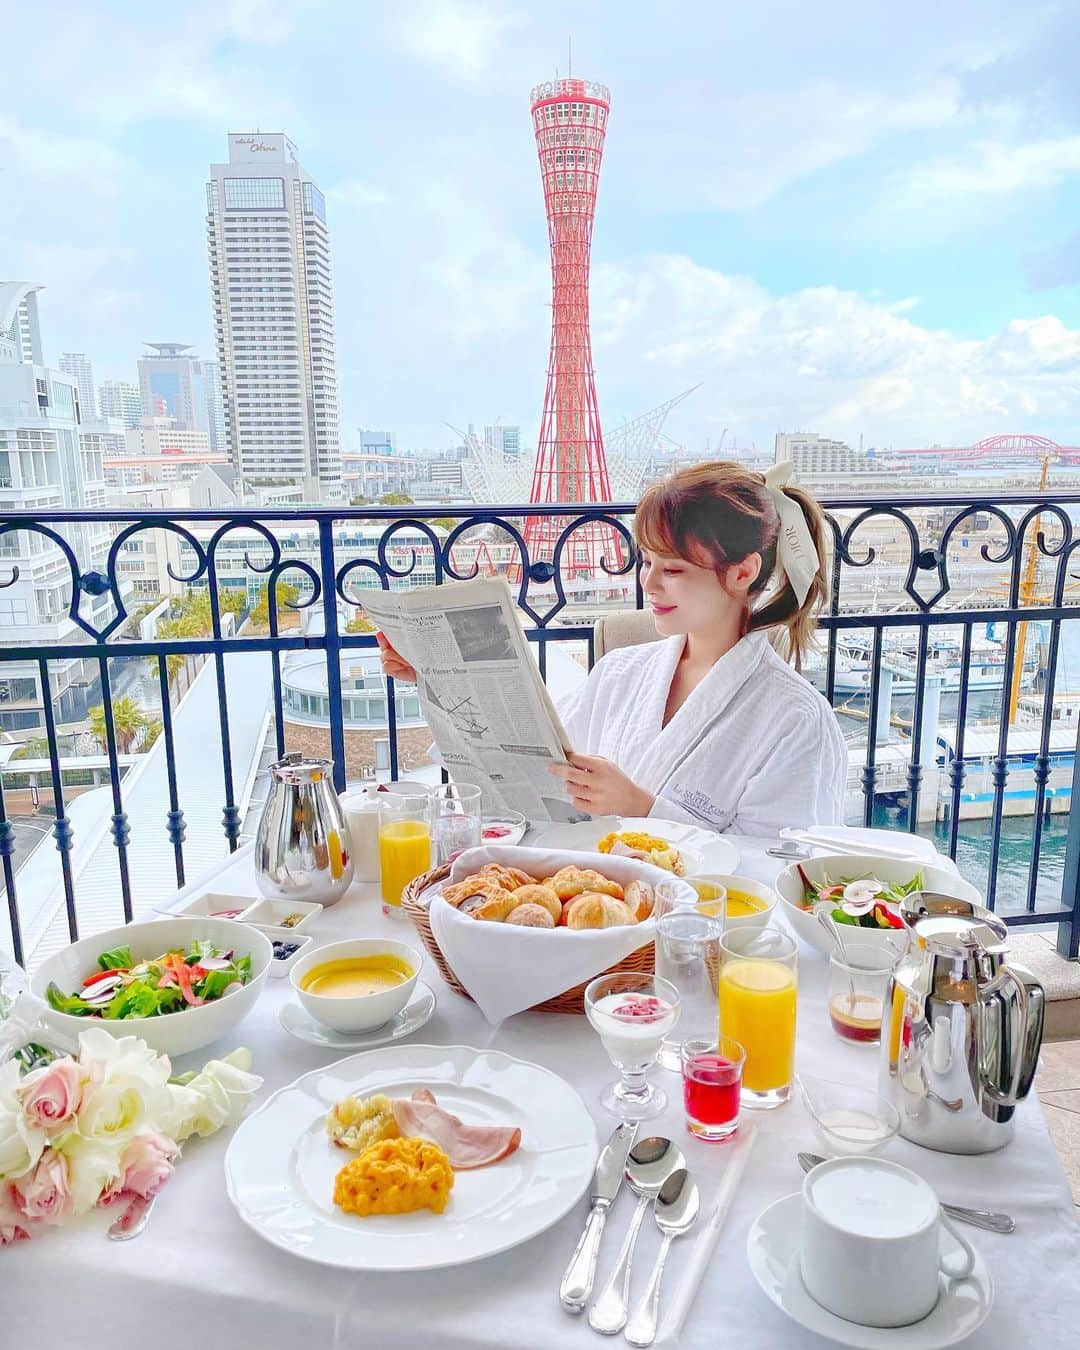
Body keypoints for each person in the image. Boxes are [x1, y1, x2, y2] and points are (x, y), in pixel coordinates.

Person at [376, 460, 847, 836]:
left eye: (675, 569)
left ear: (743, 572)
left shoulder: (795, 718)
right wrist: (436, 676)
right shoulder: (620, 672)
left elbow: (778, 869)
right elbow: (538, 761)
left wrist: (642, 809)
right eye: (646, 561)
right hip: (592, 912)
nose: (650, 583)